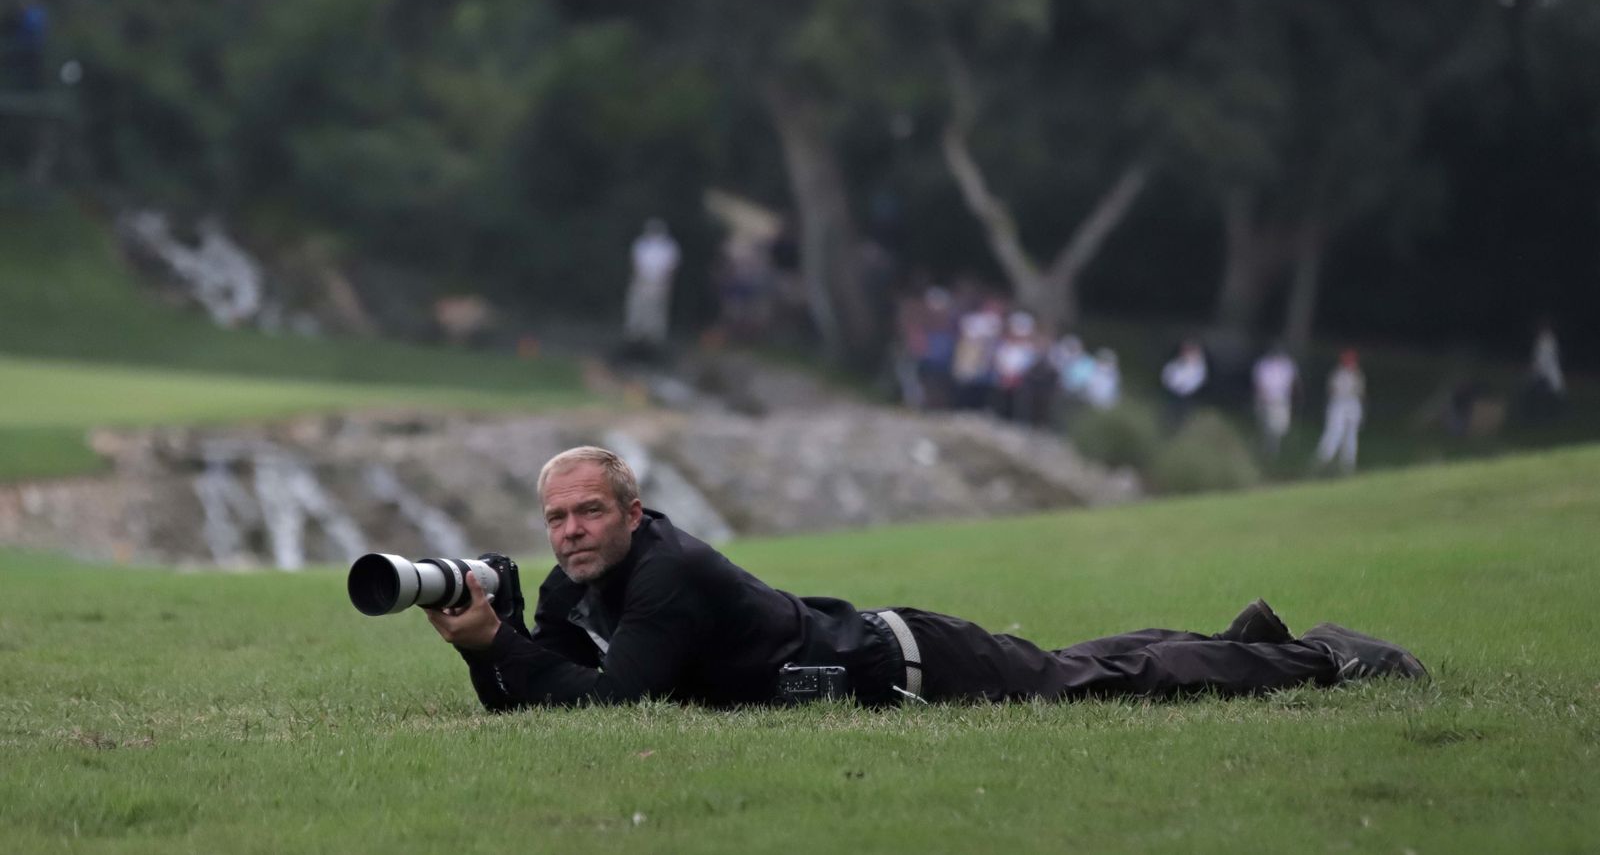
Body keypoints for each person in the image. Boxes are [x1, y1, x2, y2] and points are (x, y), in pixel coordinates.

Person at [426, 446, 1426, 709]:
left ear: (631, 513)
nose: (568, 531)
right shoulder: (573, 589)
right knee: (1070, 665)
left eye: (587, 510)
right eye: (556, 515)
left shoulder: (667, 572)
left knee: (1096, 689)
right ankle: (1246, 636)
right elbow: (535, 696)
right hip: (878, 654)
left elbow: (608, 700)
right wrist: (487, 645)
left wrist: (500, 646)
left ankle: (1327, 657)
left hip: (903, 662)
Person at [623, 218, 680, 351]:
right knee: (637, 307)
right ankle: (634, 335)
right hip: (642, 280)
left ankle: (653, 338)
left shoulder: (669, 246)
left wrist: (666, 283)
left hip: (659, 282)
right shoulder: (641, 244)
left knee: (656, 311)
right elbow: (635, 263)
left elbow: (671, 267)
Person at [1315, 349, 1365, 474]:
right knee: (1334, 433)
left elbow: (1360, 393)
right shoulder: (1338, 374)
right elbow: (1332, 390)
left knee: (1351, 436)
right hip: (1338, 404)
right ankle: (1323, 460)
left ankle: (1347, 465)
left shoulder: (1358, 375)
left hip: (1352, 405)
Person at [1252, 345, 1298, 458]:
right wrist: (1263, 397)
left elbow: (1292, 381)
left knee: (1280, 426)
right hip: (1266, 399)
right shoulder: (1263, 365)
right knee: (1266, 425)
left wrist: (1294, 394)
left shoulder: (1287, 365)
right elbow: (1259, 383)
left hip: (1281, 399)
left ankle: (1274, 448)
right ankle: (1265, 448)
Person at [1160, 339, 1208, 431]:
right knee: (1168, 409)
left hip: (1185, 394)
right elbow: (1169, 373)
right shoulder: (1179, 362)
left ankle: (1174, 428)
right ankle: (1166, 425)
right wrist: (1170, 384)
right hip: (1173, 391)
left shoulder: (1198, 367)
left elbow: (1195, 381)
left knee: (1179, 413)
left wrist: (1183, 388)